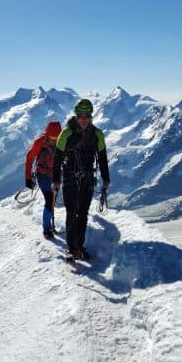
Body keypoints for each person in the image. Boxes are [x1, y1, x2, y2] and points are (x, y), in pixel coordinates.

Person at [52, 99, 110, 261]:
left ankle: (79, 245)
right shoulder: (66, 134)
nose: (84, 119)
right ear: (76, 116)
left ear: (91, 117)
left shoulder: (97, 135)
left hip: (88, 180)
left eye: (87, 116)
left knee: (83, 214)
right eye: (81, 116)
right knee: (72, 212)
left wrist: (106, 179)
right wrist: (56, 180)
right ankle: (72, 248)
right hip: (70, 179)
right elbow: (57, 158)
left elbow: (102, 158)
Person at [24, 120, 62, 238]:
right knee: (50, 200)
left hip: (56, 176)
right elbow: (29, 159)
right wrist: (28, 178)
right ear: (47, 135)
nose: (54, 141)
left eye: (56, 138)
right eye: (52, 138)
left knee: (52, 200)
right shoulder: (39, 142)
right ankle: (47, 229)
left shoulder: (62, 141)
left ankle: (49, 225)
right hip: (43, 175)